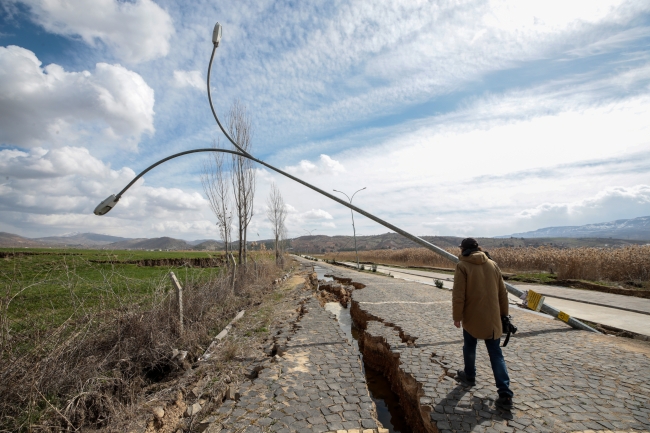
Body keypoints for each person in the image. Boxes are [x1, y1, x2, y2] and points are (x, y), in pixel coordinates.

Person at [452, 237, 514, 410]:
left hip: (472, 318)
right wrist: (504, 315)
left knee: (469, 346)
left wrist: (457, 317)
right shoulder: (492, 265)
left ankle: (469, 376)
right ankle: (505, 394)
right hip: (493, 319)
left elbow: (459, 295)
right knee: (496, 353)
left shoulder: (462, 266)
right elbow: (503, 293)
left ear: (463, 249)